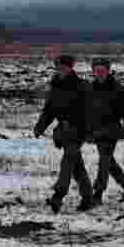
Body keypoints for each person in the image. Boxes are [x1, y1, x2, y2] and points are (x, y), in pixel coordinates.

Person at [33, 55, 94, 213]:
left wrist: (89, 130)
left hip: (79, 130)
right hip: (63, 131)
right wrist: (40, 127)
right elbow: (49, 110)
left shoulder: (82, 86)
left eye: (64, 67)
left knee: (67, 162)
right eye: (58, 66)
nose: (61, 69)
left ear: (71, 67)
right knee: (76, 165)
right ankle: (88, 197)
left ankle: (58, 196)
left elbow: (91, 110)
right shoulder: (56, 86)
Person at [85, 57, 124, 205]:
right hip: (96, 131)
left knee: (104, 161)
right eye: (96, 71)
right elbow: (85, 112)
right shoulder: (90, 88)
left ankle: (97, 194)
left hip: (111, 131)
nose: (99, 73)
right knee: (109, 163)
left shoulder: (118, 89)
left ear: (108, 71)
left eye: (102, 70)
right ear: (93, 72)